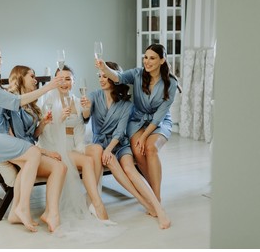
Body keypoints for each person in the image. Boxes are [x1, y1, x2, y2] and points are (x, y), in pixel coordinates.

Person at [0, 43, 63, 232]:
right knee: (34, 153)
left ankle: (15, 213)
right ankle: (21, 207)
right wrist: (50, 86)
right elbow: (16, 102)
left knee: (29, 158)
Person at [82, 61, 171, 229]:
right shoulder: (94, 96)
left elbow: (121, 131)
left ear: (114, 79)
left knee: (130, 169)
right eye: (99, 76)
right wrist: (86, 109)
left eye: (105, 76)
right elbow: (85, 116)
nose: (101, 79)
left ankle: (159, 209)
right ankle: (145, 203)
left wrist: (110, 148)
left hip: (119, 143)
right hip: (101, 144)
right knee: (111, 161)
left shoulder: (126, 105)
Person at [95, 43, 178, 202]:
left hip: (159, 122)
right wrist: (104, 68)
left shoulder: (171, 83)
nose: (147, 61)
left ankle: (156, 198)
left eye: (152, 58)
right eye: (145, 57)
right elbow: (118, 77)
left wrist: (144, 136)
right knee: (139, 153)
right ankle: (151, 194)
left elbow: (160, 114)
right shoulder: (137, 74)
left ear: (162, 60)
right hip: (137, 120)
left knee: (150, 148)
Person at [37, 65, 115, 225]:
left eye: (68, 79)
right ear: (55, 81)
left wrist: (86, 111)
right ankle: (98, 205)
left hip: (74, 145)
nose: (65, 83)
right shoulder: (49, 102)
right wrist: (59, 120)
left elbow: (81, 127)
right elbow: (45, 133)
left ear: (73, 81)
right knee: (87, 161)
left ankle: (91, 198)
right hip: (56, 145)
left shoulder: (78, 101)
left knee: (97, 149)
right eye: (61, 79)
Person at [5, 65, 67, 232]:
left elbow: (33, 136)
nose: (35, 80)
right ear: (20, 78)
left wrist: (43, 124)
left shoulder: (31, 105)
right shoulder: (12, 102)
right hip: (19, 150)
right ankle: (51, 213)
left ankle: (40, 212)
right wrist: (45, 152)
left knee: (60, 165)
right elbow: (19, 139)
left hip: (28, 148)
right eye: (31, 76)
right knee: (60, 167)